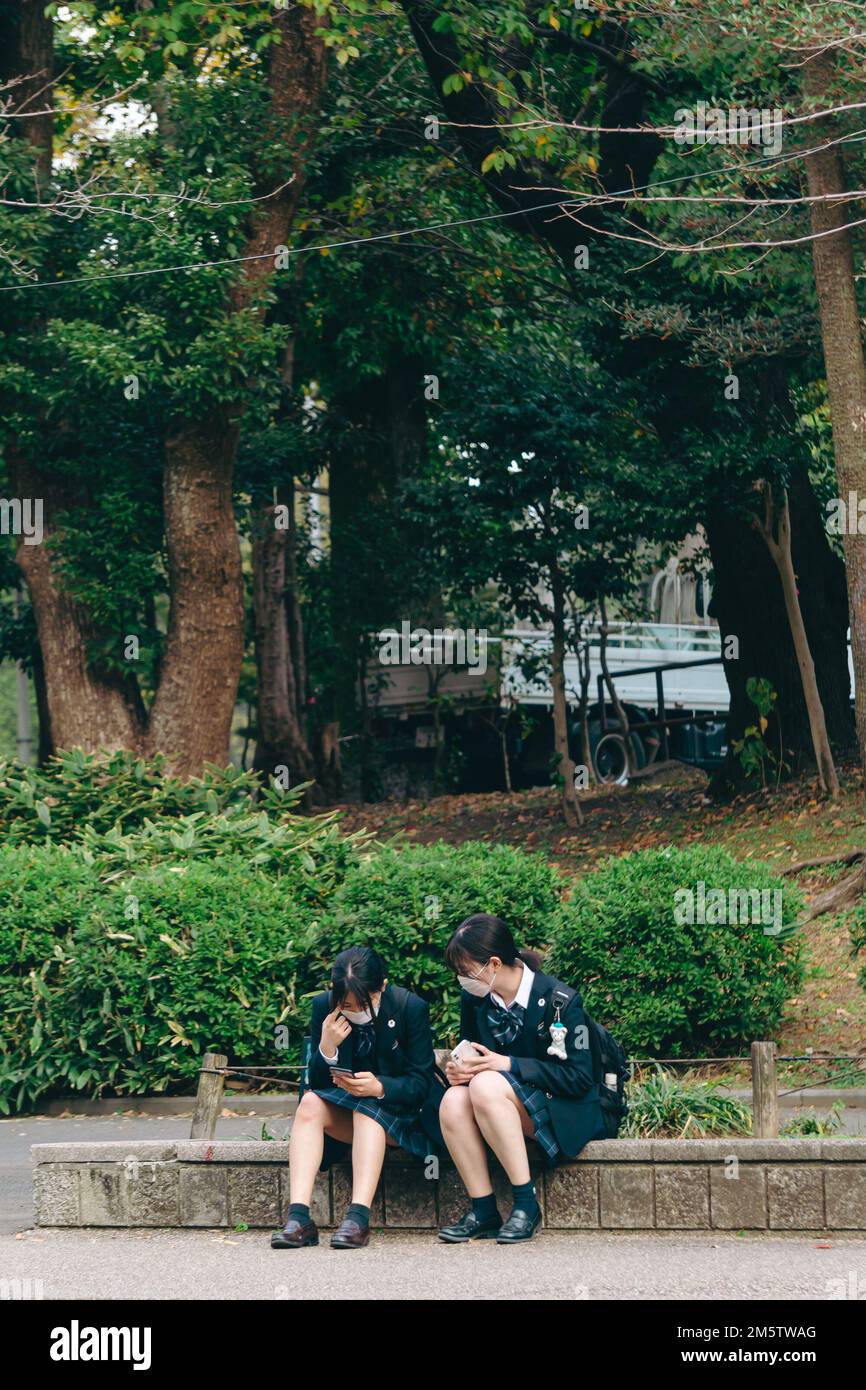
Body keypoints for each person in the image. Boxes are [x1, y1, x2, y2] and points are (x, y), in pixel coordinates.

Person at [438, 913, 607, 1244]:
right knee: (453, 1101)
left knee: (486, 1085)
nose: (462, 980)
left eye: (466, 972)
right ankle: (484, 1210)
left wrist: (509, 1064)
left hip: (560, 1107)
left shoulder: (560, 1000)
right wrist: (461, 1072)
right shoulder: (475, 999)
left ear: (494, 964)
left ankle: (526, 1205)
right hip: (500, 1104)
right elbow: (476, 1056)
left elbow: (579, 1078)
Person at [271, 945, 441, 1250]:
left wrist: (380, 1087)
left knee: (367, 1111)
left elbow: (421, 1083)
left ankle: (357, 1218)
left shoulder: (409, 1007)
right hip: (348, 1111)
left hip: (400, 1115)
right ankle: (299, 1219)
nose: (354, 1010)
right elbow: (316, 1084)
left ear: (382, 987)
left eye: (364, 1003)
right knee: (310, 1104)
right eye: (347, 1004)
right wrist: (326, 1047)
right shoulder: (325, 1006)